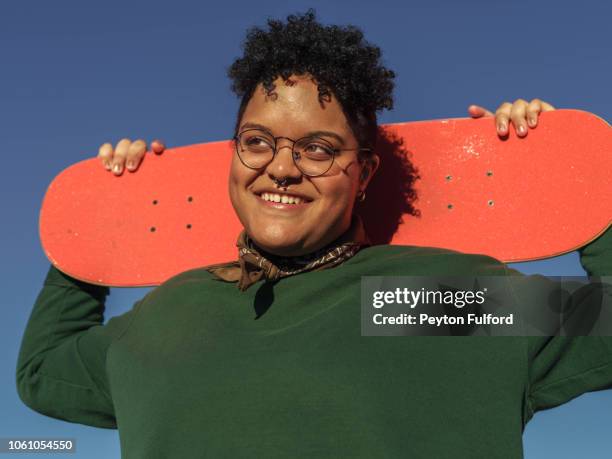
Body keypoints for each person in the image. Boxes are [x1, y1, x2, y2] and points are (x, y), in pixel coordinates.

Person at [16, 9, 611, 459]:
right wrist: (95, 222)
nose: (280, 166)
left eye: (318, 149)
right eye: (257, 141)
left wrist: (574, 176)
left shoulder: (413, 300)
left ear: (366, 172)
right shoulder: (170, 312)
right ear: (233, 153)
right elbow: (42, 374)